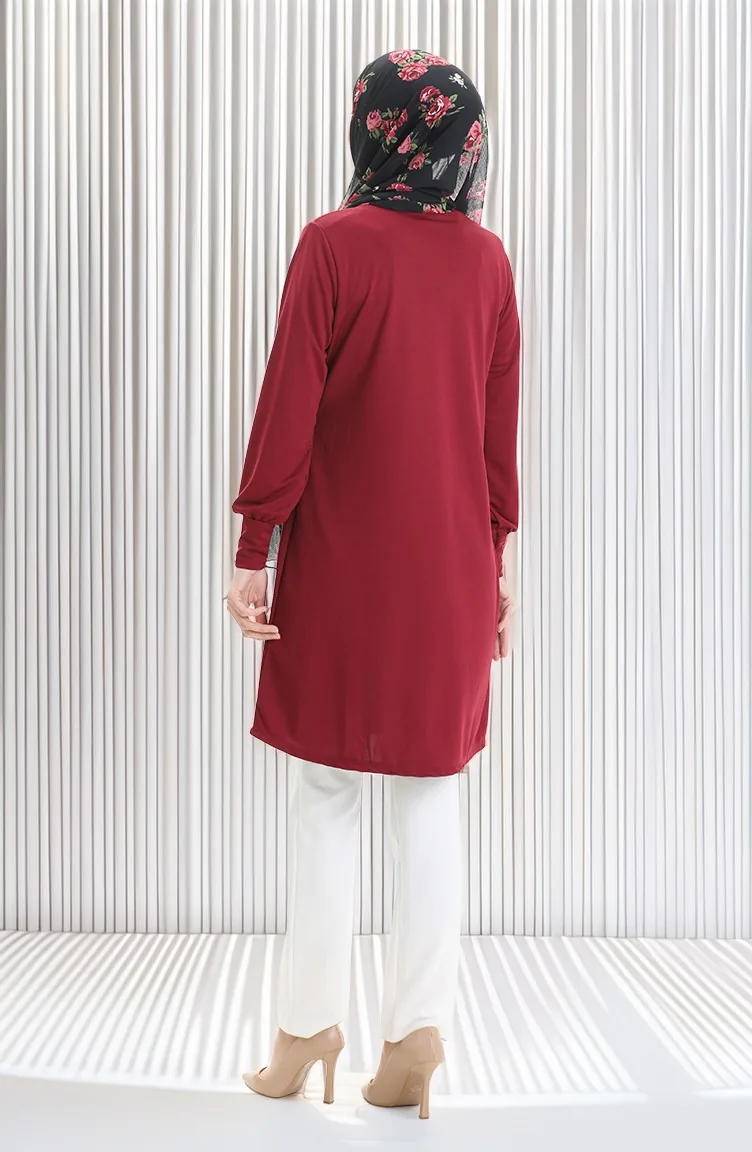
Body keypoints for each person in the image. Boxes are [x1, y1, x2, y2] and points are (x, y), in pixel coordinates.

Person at [226, 49, 520, 1120]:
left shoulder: (333, 244)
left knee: (325, 793)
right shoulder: (486, 262)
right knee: (431, 795)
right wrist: (494, 567)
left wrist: (253, 550)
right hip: (449, 570)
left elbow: (288, 407)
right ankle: (416, 1036)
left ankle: (307, 1027)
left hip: (346, 562)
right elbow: (496, 438)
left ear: (375, 129)